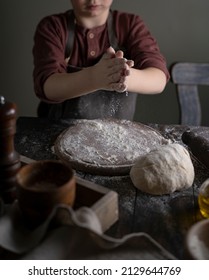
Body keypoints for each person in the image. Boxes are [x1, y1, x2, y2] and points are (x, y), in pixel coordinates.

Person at [33, 0, 170, 121]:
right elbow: (49, 87)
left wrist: (121, 75)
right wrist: (94, 78)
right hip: (58, 129)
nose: (93, 0)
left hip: (116, 135)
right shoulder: (53, 27)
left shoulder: (129, 24)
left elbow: (158, 79)